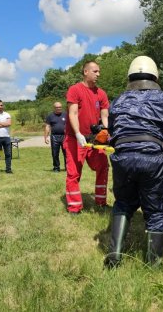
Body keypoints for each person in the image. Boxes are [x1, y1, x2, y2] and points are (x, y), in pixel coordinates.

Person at [104, 56, 163, 268]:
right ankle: (154, 263)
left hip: (122, 158)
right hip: (151, 158)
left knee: (123, 203)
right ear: (155, 76)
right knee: (155, 210)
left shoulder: (117, 100)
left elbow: (112, 129)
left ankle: (115, 256)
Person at [64, 61, 110, 214]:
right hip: (74, 138)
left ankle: (101, 201)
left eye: (99, 71)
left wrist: (107, 132)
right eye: (95, 71)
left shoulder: (101, 93)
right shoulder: (75, 90)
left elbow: (104, 116)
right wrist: (77, 133)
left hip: (93, 139)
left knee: (103, 165)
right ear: (85, 72)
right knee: (73, 173)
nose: (99, 74)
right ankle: (75, 207)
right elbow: (73, 113)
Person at [44, 101, 67, 172]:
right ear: (54, 108)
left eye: (60, 107)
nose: (59, 108)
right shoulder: (50, 116)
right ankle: (56, 168)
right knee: (55, 153)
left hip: (65, 137)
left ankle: (68, 167)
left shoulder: (66, 115)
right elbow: (47, 127)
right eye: (57, 107)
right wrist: (46, 137)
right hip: (54, 137)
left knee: (66, 153)